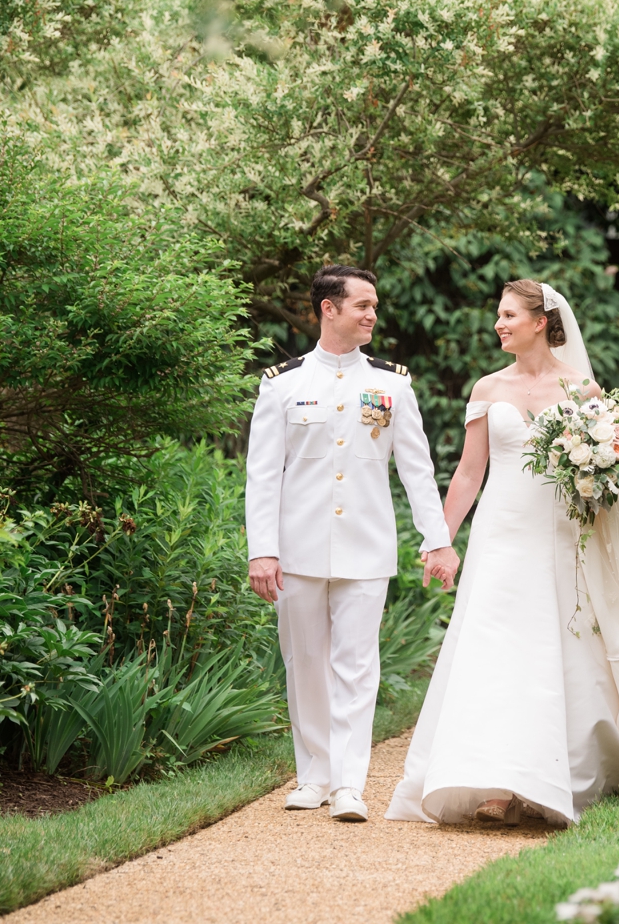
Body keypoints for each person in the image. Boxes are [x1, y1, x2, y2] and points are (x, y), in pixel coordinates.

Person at [385, 279, 619, 826]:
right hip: (501, 534)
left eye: (509, 314)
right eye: (498, 314)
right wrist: (441, 539)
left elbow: (615, 465)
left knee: (557, 651)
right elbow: (469, 473)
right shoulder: (488, 388)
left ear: (542, 322)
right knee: (494, 649)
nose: (499, 324)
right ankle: (494, 779)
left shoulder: (583, 391)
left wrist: (606, 474)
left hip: (564, 537)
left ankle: (551, 772)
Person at [246, 264, 460, 822]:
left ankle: (348, 784)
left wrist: (436, 541)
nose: (372, 314)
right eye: (362, 305)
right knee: (305, 663)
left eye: (374, 305)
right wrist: (261, 550)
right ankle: (313, 775)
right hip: (296, 550)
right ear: (328, 309)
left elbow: (417, 469)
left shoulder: (392, 384)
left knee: (357, 667)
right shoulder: (282, 384)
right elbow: (263, 476)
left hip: (366, 548)